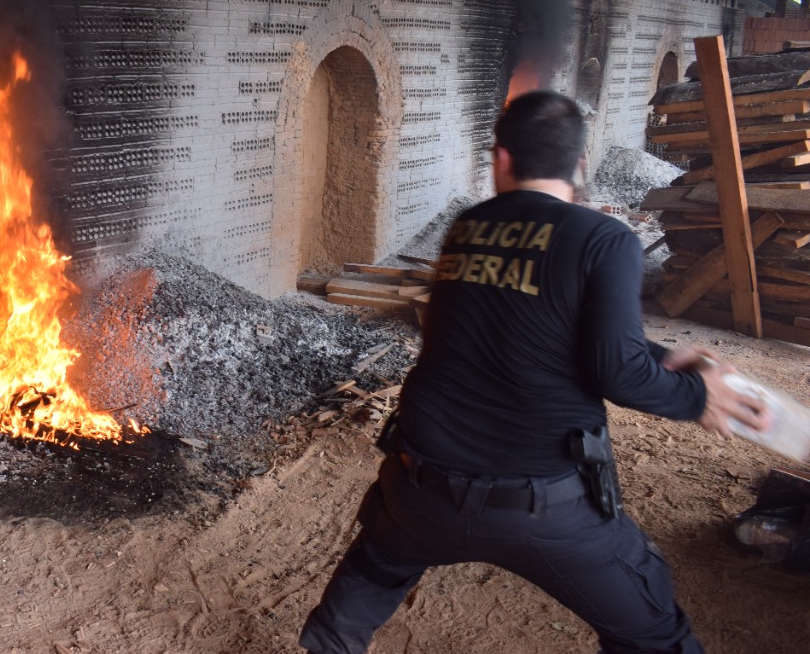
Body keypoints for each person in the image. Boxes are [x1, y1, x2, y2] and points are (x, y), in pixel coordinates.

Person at [299, 89, 772, 654]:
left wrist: (660, 356)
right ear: (579, 164)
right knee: (653, 632)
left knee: (367, 582)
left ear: (501, 159)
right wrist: (697, 396)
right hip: (545, 510)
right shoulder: (605, 239)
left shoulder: (468, 228)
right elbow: (616, 372)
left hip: (419, 492)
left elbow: (544, 324)